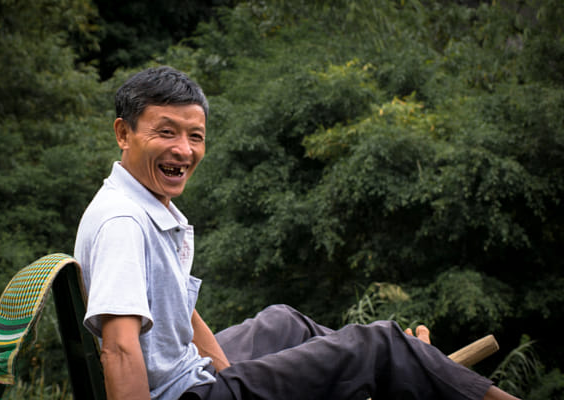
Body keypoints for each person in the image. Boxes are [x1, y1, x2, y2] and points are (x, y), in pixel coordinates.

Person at [74, 66, 520, 400]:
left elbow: (180, 312)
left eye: (196, 136)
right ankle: (403, 361)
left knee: (283, 322)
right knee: (375, 342)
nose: (183, 150)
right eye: (166, 133)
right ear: (124, 133)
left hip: (190, 373)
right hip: (182, 393)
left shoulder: (140, 203)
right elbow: (119, 349)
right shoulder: (124, 223)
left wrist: (232, 375)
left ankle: (407, 364)